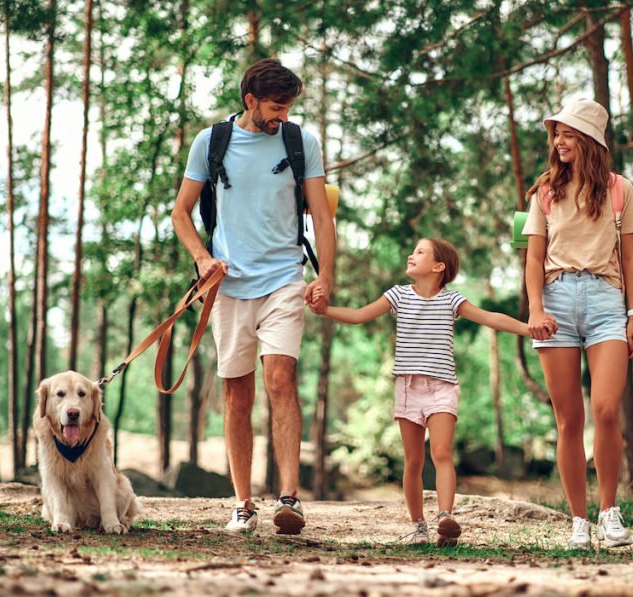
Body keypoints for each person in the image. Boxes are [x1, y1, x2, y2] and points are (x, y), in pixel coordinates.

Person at [171, 58, 335, 535]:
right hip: (227, 285)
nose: (282, 116)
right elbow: (181, 213)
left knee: (281, 379)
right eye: (275, 107)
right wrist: (203, 261)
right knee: (236, 393)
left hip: (284, 277)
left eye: (288, 108)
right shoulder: (211, 142)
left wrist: (324, 275)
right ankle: (243, 503)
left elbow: (322, 218)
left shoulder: (300, 142)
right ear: (250, 100)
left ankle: (289, 498)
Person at [312, 238, 537, 546]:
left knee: (442, 453)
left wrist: (528, 327)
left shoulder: (452, 301)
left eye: (419, 251)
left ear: (438, 266)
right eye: (412, 249)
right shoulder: (398, 296)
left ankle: (445, 518)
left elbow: (490, 318)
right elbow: (360, 314)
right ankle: (418, 526)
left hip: (442, 386)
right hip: (408, 386)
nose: (410, 254)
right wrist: (326, 311)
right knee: (413, 460)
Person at [522, 98, 633, 549]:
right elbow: (534, 258)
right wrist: (535, 309)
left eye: (566, 133)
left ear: (589, 140)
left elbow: (630, 257)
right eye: (556, 133)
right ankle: (578, 520)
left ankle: (609, 512)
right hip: (555, 302)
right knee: (569, 420)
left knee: (606, 409)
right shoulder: (547, 192)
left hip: (606, 301)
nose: (557, 141)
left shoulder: (619, 190)